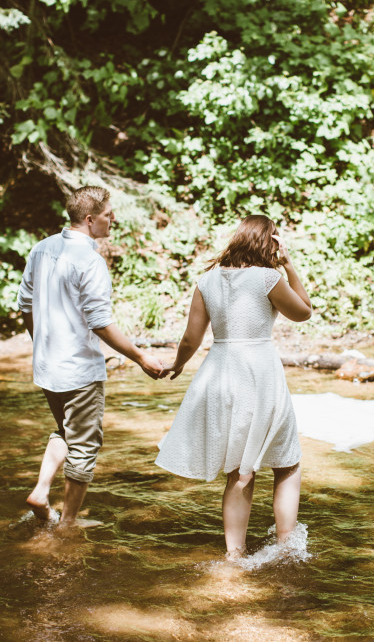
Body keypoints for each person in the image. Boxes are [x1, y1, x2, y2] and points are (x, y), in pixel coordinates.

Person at [155, 215, 313, 559]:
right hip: (259, 372)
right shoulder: (268, 278)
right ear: (268, 242)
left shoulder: (207, 280)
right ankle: (287, 548)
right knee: (286, 462)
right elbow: (303, 312)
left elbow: (191, 337)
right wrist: (289, 265)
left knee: (240, 469)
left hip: (221, 371)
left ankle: (235, 554)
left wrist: (178, 364)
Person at [17, 186, 164, 531]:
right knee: (84, 446)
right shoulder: (90, 260)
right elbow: (100, 322)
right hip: (79, 370)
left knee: (66, 432)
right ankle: (67, 525)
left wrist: (41, 344)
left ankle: (41, 493)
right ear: (89, 219)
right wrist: (141, 357)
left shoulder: (42, 248)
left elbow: (24, 303)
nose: (113, 218)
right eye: (108, 214)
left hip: (47, 366)